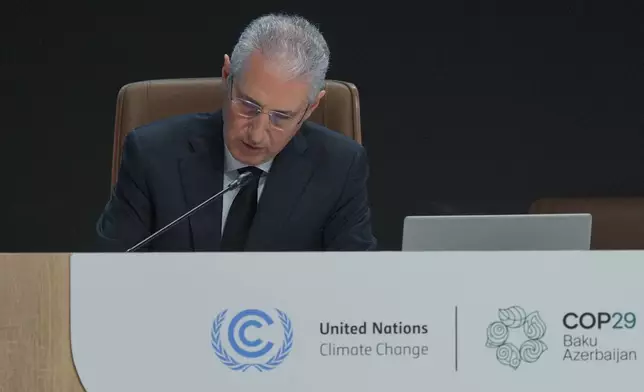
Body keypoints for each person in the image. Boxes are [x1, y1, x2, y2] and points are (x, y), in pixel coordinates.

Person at [95, 13, 377, 252]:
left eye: (282, 117)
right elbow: (105, 276)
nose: (256, 134)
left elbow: (355, 287)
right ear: (227, 75)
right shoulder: (151, 155)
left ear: (311, 107)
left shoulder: (339, 168)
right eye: (248, 105)